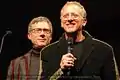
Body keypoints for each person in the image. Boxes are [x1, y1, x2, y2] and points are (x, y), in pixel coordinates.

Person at [40, 1, 119, 80]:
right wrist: (60, 71)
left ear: (84, 21)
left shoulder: (104, 50)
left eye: (74, 15)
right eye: (66, 16)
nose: (70, 19)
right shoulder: (47, 52)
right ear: (61, 22)